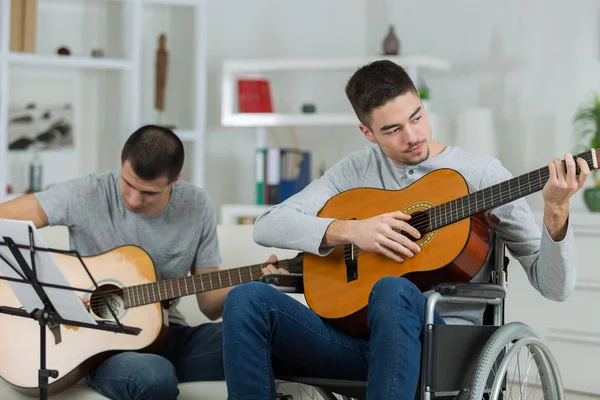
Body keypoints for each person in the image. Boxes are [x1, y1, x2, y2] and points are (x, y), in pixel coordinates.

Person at [220, 60, 590, 399]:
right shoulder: (355, 171)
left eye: (417, 117)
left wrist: (556, 210)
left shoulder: (481, 175)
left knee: (393, 289)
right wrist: (351, 232)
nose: (412, 136)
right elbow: (268, 225)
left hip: (440, 348)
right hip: (355, 342)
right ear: (367, 132)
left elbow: (555, 286)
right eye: (393, 129)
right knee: (246, 299)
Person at [0, 124, 283, 400]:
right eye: (128, 184)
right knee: (154, 376)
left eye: (149, 193)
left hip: (169, 334)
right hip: (100, 347)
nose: (135, 200)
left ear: (175, 179)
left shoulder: (196, 205)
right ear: (123, 156)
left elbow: (209, 305)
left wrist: (254, 279)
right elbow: (5, 222)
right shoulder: (88, 192)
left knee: (269, 336)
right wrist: (64, 293)